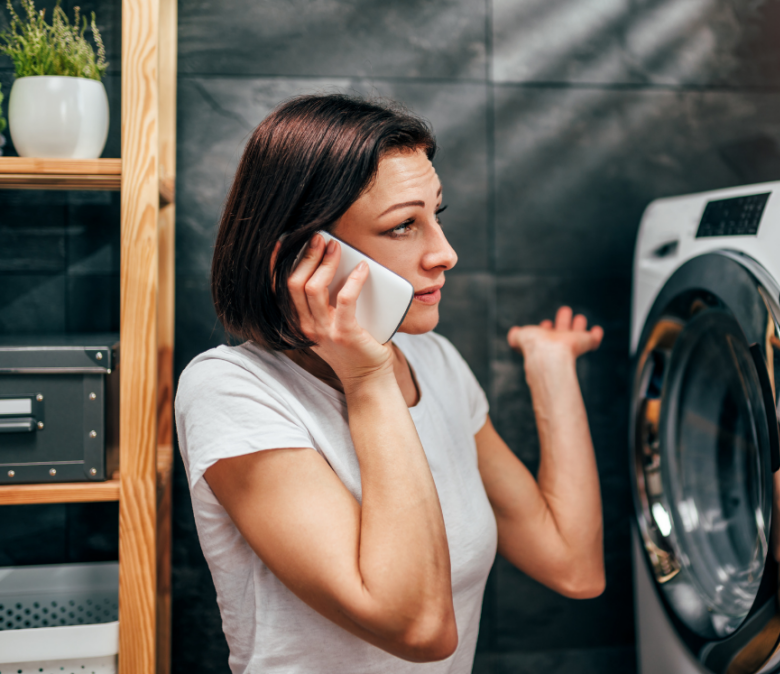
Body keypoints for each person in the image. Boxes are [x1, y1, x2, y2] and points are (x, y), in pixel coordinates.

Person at [174, 94, 606, 674]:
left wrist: (551, 370)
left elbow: (573, 566)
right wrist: (368, 377)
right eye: (403, 225)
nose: (445, 253)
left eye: (436, 216)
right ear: (300, 257)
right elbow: (419, 627)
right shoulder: (231, 390)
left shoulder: (435, 361)